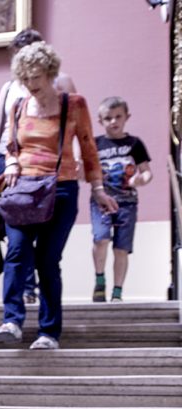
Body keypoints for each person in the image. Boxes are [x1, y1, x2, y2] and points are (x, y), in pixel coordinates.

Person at [0, 42, 118, 350]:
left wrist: (98, 189)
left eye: (36, 77)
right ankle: (12, 320)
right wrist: (10, 165)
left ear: (50, 73)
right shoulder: (19, 105)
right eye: (25, 79)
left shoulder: (73, 104)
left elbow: (88, 148)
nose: (31, 85)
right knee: (17, 251)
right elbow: (11, 145)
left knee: (48, 259)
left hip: (60, 188)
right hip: (22, 189)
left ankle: (48, 332)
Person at [0, 28, 77, 304]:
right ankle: (25, 287)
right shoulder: (9, 88)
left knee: (43, 228)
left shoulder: (62, 83)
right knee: (15, 232)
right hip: (9, 162)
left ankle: (33, 286)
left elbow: (72, 127)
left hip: (46, 165)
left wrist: (76, 160)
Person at [90, 96, 152, 303]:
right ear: (101, 121)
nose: (113, 122)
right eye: (108, 118)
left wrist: (140, 180)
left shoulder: (134, 144)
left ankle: (117, 292)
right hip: (102, 201)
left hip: (128, 202)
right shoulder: (96, 144)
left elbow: (147, 172)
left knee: (121, 248)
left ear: (127, 117)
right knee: (101, 238)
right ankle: (100, 280)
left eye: (118, 117)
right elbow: (87, 171)